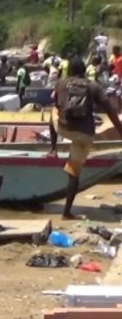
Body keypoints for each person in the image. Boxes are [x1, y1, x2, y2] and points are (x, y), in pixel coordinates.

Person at [48, 58, 122, 219]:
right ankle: (66, 213)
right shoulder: (94, 86)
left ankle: (53, 148)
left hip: (64, 129)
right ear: (84, 71)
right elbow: (110, 111)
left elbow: (57, 104)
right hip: (85, 134)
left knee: (52, 112)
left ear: (70, 70)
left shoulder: (61, 83)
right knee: (74, 173)